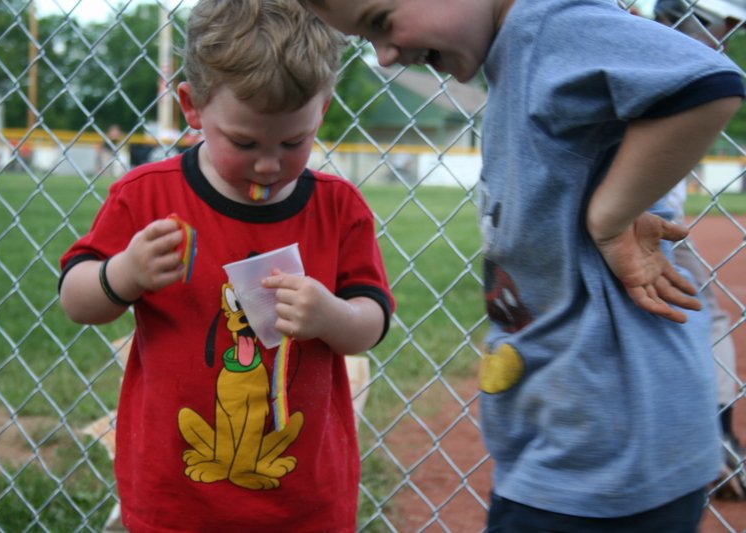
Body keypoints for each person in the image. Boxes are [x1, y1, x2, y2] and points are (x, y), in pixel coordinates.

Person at [298, 0, 743, 530]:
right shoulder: (516, 50)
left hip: (609, 451)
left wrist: (609, 216)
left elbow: (708, 83)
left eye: (381, 22)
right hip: (572, 441)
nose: (386, 55)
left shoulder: (549, 25)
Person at [58, 0, 394, 530]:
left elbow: (371, 321)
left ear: (322, 110)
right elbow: (75, 301)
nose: (269, 164)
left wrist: (331, 316)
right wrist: (123, 275)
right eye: (244, 141)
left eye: (294, 141)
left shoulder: (338, 207)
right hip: (172, 500)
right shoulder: (146, 196)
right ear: (192, 107)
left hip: (304, 504)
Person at [653, 0, 746, 500]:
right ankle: (719, 436)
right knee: (706, 316)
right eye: (720, 26)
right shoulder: (688, 66)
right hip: (651, 223)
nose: (724, 38)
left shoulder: (628, 47)